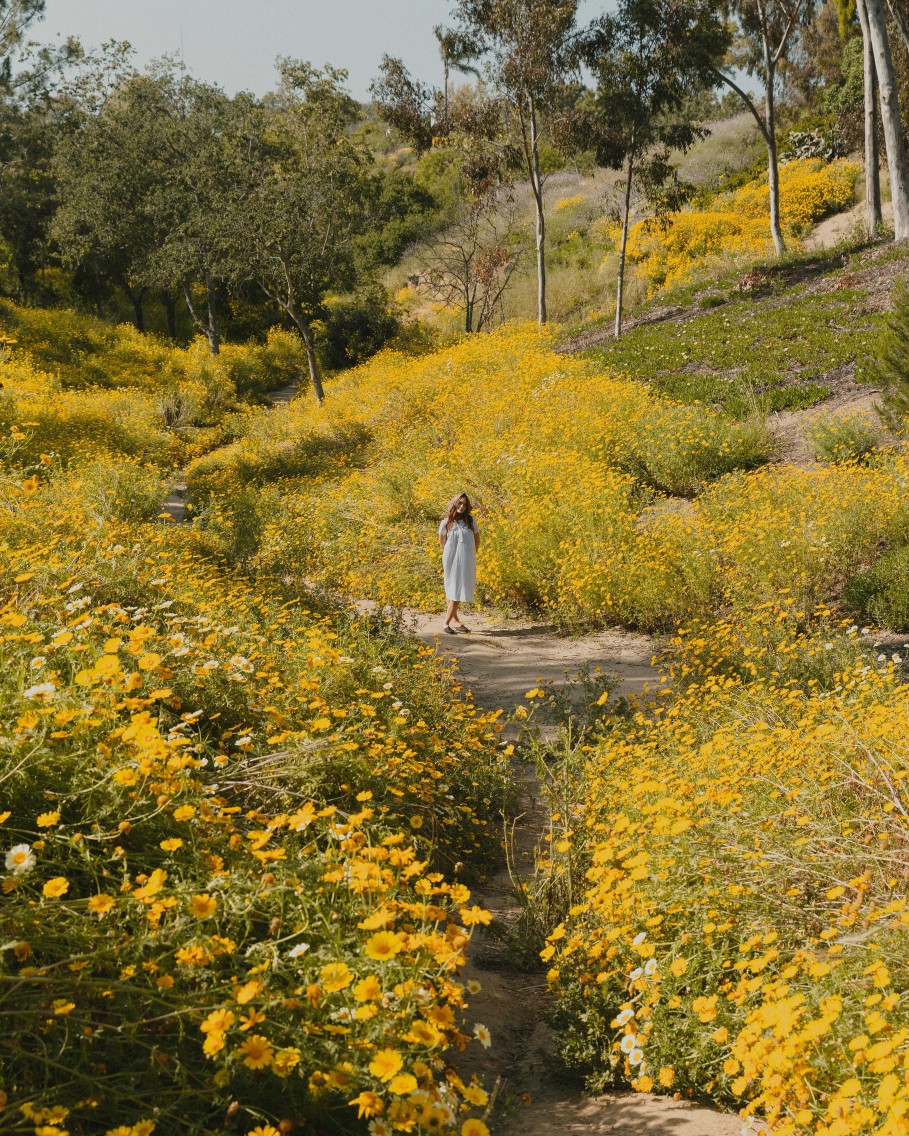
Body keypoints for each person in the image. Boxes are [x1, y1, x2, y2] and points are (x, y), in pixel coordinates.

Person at [438, 493, 480, 634]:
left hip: (466, 559)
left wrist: (469, 555)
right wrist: (449, 556)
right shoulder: (446, 522)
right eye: (459, 503)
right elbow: (442, 541)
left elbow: (477, 540)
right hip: (451, 558)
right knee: (451, 588)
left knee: (457, 588)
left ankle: (451, 621)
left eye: (465, 504)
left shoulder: (471, 521)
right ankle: (448, 623)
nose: (462, 507)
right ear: (454, 504)